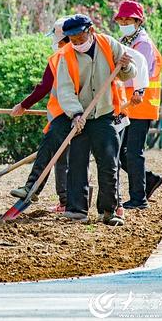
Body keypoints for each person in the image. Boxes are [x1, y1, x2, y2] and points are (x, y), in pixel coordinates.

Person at [56, 14, 136, 226]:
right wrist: (75, 114)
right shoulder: (66, 56)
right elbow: (64, 90)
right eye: (73, 41)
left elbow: (128, 74)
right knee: (77, 165)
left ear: (90, 31)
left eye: (80, 39)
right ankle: (76, 210)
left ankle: (109, 211)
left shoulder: (108, 44)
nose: (77, 44)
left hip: (104, 114)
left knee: (109, 163)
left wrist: (126, 66)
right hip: (79, 117)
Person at [9, 16, 72, 213]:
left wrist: (23, 105)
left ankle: (31, 187)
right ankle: (66, 200)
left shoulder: (60, 56)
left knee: (47, 150)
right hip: (80, 113)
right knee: (62, 158)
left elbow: (44, 86)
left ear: (60, 39)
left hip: (63, 114)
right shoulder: (82, 54)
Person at [114, 0, 162, 209]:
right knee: (122, 152)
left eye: (128, 19)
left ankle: (138, 199)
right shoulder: (126, 40)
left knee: (132, 152)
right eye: (122, 19)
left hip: (140, 104)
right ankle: (148, 180)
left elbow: (135, 75)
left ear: (138, 21)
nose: (124, 22)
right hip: (128, 104)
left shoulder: (141, 43)